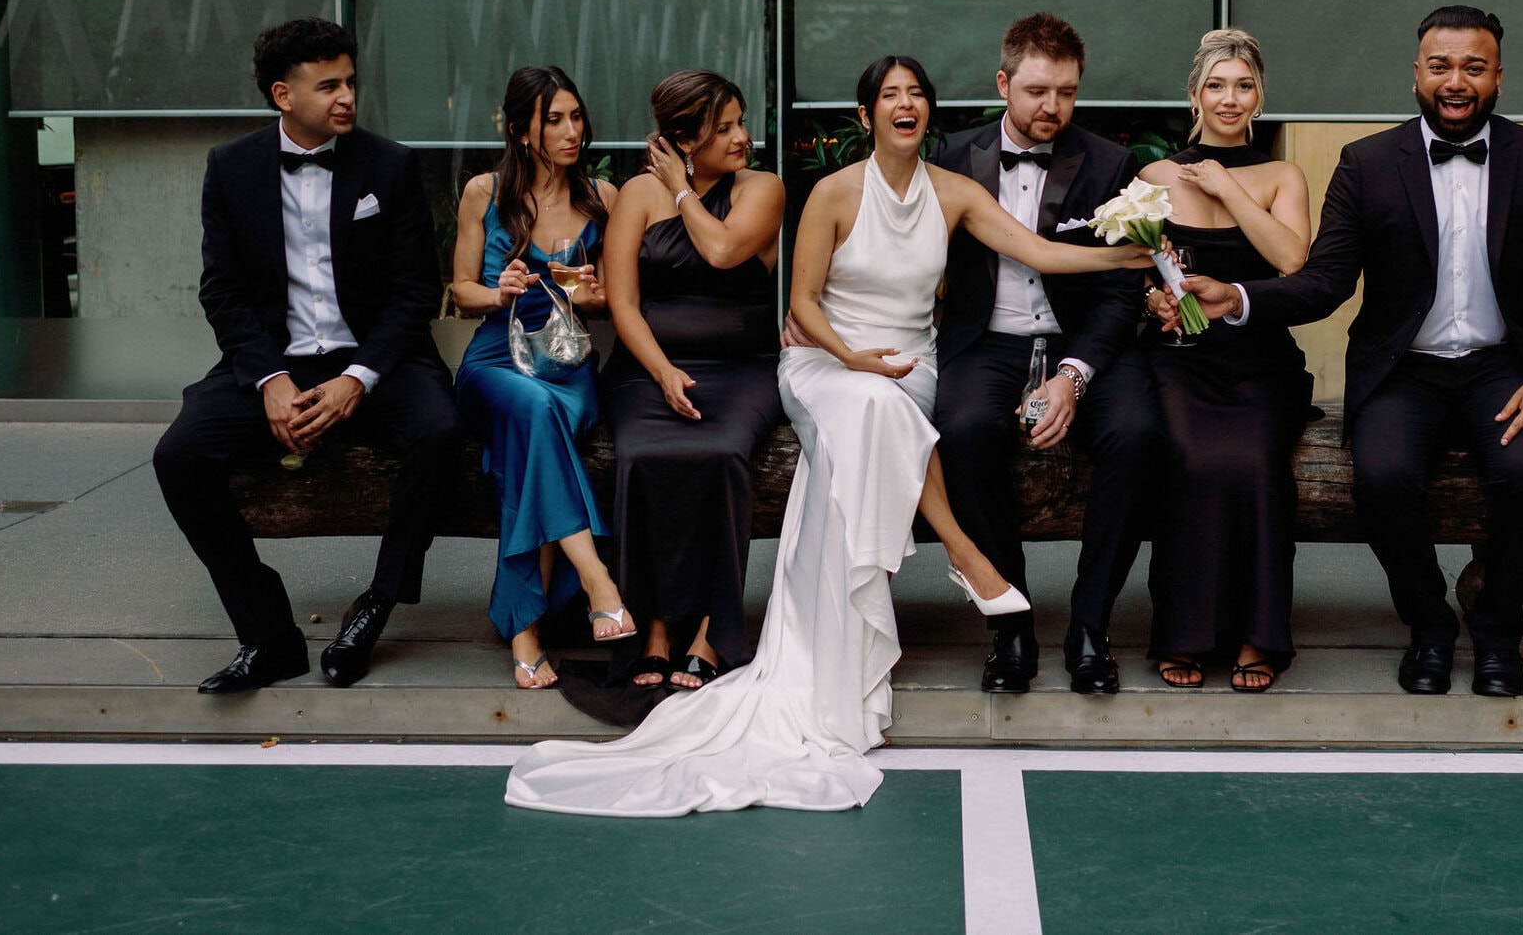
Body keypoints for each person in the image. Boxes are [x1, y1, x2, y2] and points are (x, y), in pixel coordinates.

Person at [504, 56, 1150, 816]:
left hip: (911, 363)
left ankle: (911, 597)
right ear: (867, 114)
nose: (904, 104)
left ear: (926, 114)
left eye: (916, 94)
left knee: (887, 402)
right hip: (822, 362)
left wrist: (1130, 254)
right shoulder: (832, 192)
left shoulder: (957, 193)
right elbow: (804, 304)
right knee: (874, 404)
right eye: (889, 95)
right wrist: (849, 357)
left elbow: (1038, 251)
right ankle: (967, 555)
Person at [1173, 6, 1523, 697]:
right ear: (1416, 76)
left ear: (1497, 77)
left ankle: (1495, 629)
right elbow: (1324, 281)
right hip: (1405, 371)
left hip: (1503, 367)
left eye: (1473, 67)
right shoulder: (1367, 163)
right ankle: (1429, 626)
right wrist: (1239, 298)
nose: (1455, 81)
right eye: (1440, 66)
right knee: (1381, 477)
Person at [154, 18, 461, 693]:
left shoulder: (391, 164)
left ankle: (376, 604)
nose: (346, 96)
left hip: (378, 359)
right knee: (178, 457)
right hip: (277, 361)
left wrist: (358, 379)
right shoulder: (230, 168)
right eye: (328, 86)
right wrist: (268, 378)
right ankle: (268, 636)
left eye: (350, 81)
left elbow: (415, 294)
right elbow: (223, 291)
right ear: (282, 95)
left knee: (440, 430)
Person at [930, 12, 1165, 695]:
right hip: (984, 342)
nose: (1052, 108)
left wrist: (1071, 375)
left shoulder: (1110, 163)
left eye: (1065, 92)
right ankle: (1010, 623)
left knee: (1137, 433)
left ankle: (1091, 625)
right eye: (1036, 91)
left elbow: (1122, 292)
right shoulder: (949, 158)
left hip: (1083, 341)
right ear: (1003, 82)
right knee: (965, 429)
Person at [1140, 29, 1315, 692]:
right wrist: (1154, 301)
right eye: (1217, 85)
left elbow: (1292, 261)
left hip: (1262, 364)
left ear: (1260, 95)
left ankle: (1258, 633)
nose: (1230, 97)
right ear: (1194, 96)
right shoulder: (1154, 177)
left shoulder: (1281, 175)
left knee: (1259, 462)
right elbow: (1143, 271)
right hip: (1182, 360)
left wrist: (1227, 187)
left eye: (1243, 85)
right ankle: (1183, 633)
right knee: (1188, 458)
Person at [601, 70, 785, 690]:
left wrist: (682, 192)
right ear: (684, 138)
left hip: (742, 370)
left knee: (722, 453)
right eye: (724, 127)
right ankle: (654, 625)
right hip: (648, 369)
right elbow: (623, 303)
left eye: (740, 123)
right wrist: (661, 371)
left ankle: (711, 626)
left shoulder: (763, 188)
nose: (741, 137)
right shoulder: (634, 194)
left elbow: (725, 252)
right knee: (642, 457)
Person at [451, 66, 629, 690]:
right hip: (495, 362)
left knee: (537, 435)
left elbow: (614, 298)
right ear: (522, 128)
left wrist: (592, 291)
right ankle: (597, 580)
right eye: (553, 119)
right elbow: (460, 290)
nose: (570, 130)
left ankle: (525, 631)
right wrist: (498, 292)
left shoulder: (602, 197)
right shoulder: (484, 191)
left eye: (576, 116)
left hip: (568, 365)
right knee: (530, 410)